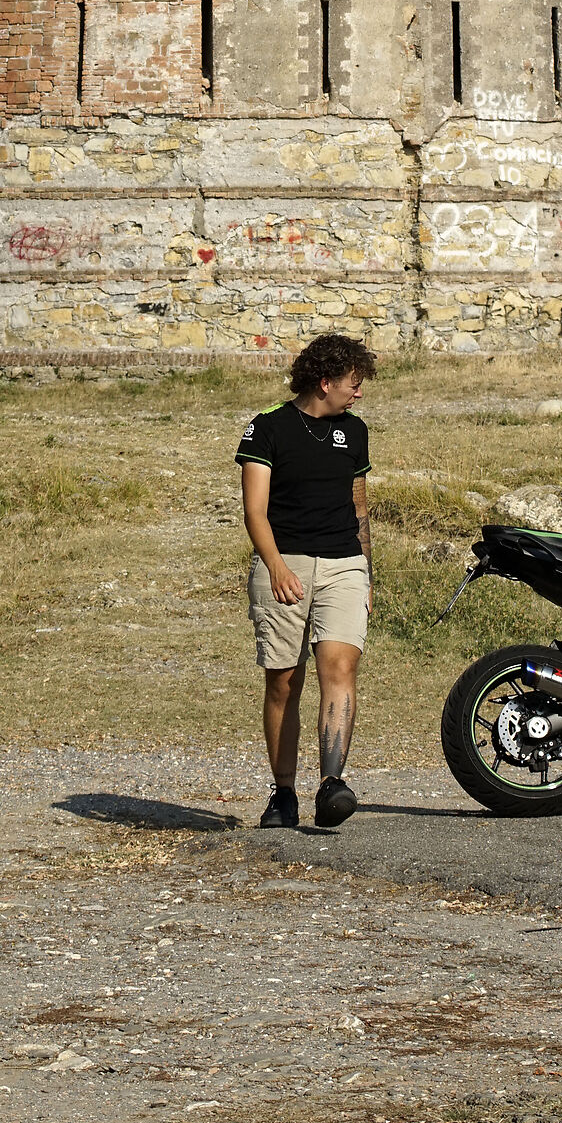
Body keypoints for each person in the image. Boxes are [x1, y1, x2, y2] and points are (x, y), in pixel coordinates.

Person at [236, 332, 376, 830]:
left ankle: (332, 784)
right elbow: (255, 510)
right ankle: (283, 793)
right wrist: (275, 566)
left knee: (339, 670)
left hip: (344, 565)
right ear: (325, 381)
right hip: (285, 563)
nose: (358, 393)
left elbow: (359, 508)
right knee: (284, 683)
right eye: (353, 384)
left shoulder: (355, 432)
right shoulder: (267, 429)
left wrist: (367, 572)